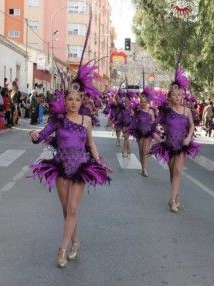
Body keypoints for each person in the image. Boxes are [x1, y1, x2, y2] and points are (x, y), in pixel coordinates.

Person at [29, 66, 111, 268]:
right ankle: (76, 242)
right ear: (64, 102)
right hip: (61, 168)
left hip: (80, 168)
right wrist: (34, 136)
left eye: (77, 99)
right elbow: (42, 135)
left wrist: (98, 161)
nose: (74, 103)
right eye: (70, 99)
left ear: (82, 101)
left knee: (73, 209)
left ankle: (62, 249)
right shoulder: (58, 120)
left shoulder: (87, 121)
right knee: (67, 210)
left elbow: (90, 144)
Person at [148, 68, 200, 213]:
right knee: (172, 173)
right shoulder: (166, 111)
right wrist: (156, 137)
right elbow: (153, 125)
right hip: (169, 145)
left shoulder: (186, 110)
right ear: (169, 97)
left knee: (177, 171)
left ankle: (171, 200)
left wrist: (189, 137)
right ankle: (176, 195)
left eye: (180, 94)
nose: (178, 97)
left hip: (182, 145)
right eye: (175, 95)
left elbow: (192, 126)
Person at [128, 89, 157, 177]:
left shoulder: (150, 111)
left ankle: (145, 169)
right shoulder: (138, 112)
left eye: (144, 102)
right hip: (139, 133)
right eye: (141, 102)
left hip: (147, 133)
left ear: (147, 102)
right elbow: (134, 122)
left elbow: (154, 122)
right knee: (141, 152)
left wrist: (153, 129)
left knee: (145, 152)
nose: (143, 104)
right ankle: (142, 168)